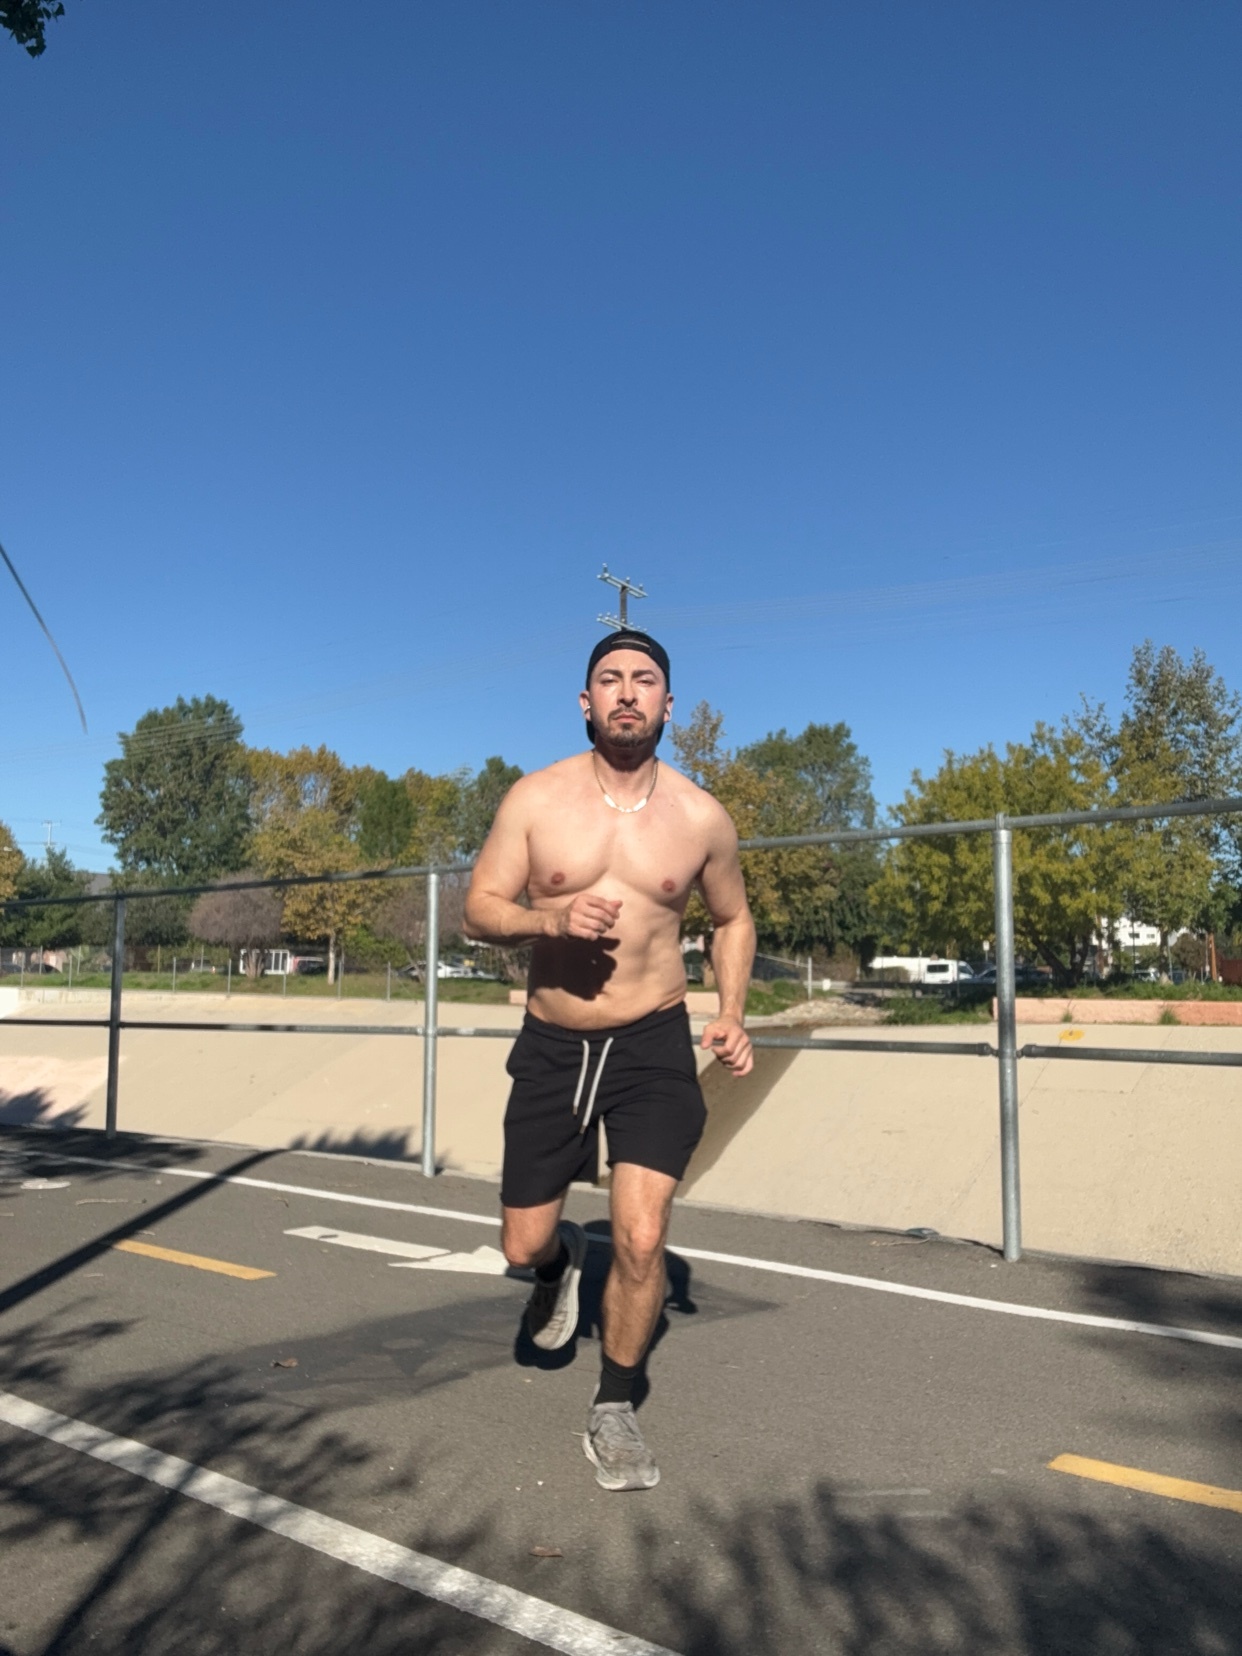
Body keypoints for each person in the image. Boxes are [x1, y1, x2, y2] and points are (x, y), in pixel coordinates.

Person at [463, 630, 756, 1491]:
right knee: (521, 1241)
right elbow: (481, 906)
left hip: (652, 1042)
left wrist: (733, 1012)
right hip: (554, 1042)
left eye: (646, 680)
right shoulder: (535, 799)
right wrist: (546, 921)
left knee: (643, 1234)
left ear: (669, 704)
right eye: (610, 680)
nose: (628, 692)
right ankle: (557, 1267)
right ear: (585, 702)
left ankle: (616, 1405)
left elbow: (732, 920)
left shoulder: (702, 817)